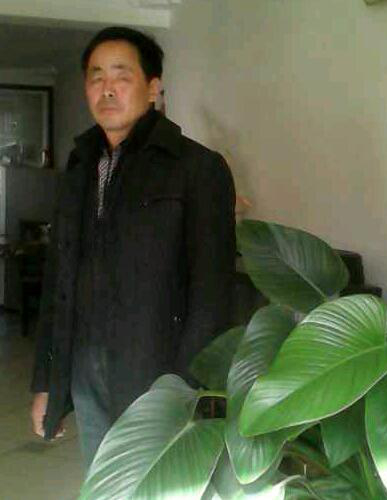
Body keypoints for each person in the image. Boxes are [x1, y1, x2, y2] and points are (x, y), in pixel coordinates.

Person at [30, 26, 236, 468]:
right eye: (96, 76)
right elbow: (58, 282)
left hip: (157, 374)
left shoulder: (196, 168)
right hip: (86, 368)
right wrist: (47, 382)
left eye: (121, 76)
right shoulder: (79, 169)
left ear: (153, 87)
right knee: (103, 480)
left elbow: (213, 295)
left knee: (157, 486)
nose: (107, 89)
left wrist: (185, 393)